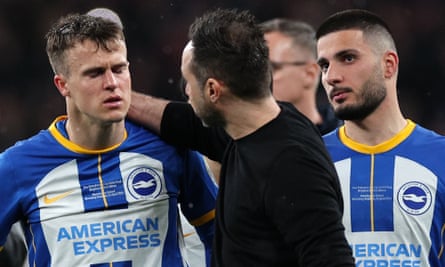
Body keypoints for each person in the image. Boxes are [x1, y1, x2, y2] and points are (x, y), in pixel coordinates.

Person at [129, 8, 355, 266]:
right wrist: (122, 99)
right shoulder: (258, 128)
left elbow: (332, 259)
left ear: (213, 90)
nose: (187, 92)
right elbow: (185, 123)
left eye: (188, 81)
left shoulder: (290, 164)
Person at [0, 13, 217, 267]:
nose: (112, 83)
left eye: (119, 68)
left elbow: (220, 237)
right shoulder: (17, 167)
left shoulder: (170, 148)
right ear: (63, 85)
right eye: (95, 73)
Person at [316, 9, 445, 266]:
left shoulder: (441, 157)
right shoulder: (308, 161)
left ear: (389, 65)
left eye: (348, 58)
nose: (332, 77)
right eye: (325, 65)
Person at [260, 18, 341, 135]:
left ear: (310, 74)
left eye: (271, 68)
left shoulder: (353, 136)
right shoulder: (235, 142)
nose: (258, 78)